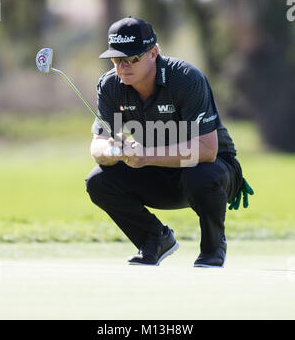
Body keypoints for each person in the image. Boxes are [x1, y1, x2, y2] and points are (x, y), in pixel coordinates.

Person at [85, 16, 253, 267]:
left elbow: (207, 150)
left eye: (131, 59)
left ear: (153, 53)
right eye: (116, 59)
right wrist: (113, 150)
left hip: (212, 171)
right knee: (98, 181)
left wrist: (145, 156)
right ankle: (154, 239)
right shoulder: (110, 85)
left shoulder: (185, 79)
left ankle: (213, 248)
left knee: (201, 175)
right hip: (156, 173)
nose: (122, 67)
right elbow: (97, 145)